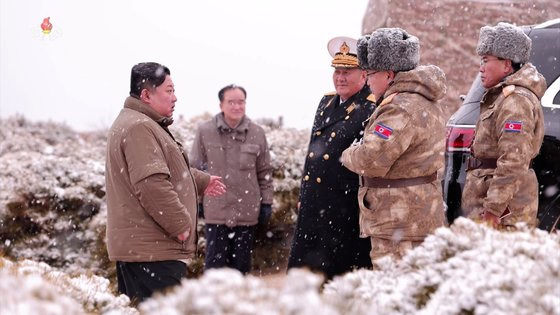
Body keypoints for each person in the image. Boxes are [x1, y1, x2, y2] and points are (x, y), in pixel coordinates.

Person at [105, 62, 226, 304]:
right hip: (153, 253)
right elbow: (151, 183)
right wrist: (180, 226)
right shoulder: (140, 127)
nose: (175, 97)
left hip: (145, 251)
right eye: (168, 91)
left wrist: (200, 181)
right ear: (146, 94)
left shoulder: (138, 122)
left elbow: (163, 168)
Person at [340, 28, 447, 262]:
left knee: (395, 289)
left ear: (388, 75)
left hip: (399, 222)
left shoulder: (399, 107)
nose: (367, 82)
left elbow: (370, 161)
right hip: (417, 215)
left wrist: (347, 154)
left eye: (370, 74)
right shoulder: (423, 99)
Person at [288, 36, 375, 279]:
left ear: (364, 74)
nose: (341, 77)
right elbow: (313, 153)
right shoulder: (326, 102)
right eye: (337, 71)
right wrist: (303, 195)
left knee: (336, 273)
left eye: (348, 71)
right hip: (315, 204)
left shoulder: (370, 106)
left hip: (343, 207)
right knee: (304, 274)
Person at [462, 22, 546, 228]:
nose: (480, 68)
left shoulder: (515, 101)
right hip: (491, 203)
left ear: (507, 65)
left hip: (503, 213)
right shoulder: (502, 97)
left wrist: (494, 209)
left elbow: (513, 159)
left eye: (485, 60)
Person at [190, 84, 273, 274]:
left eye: (241, 102)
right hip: (216, 211)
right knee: (215, 268)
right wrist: (198, 201)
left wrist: (266, 203)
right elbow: (195, 170)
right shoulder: (205, 131)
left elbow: (265, 172)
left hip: (247, 212)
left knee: (241, 268)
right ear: (221, 105)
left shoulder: (257, 133)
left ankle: (240, 303)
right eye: (231, 102)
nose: (237, 107)